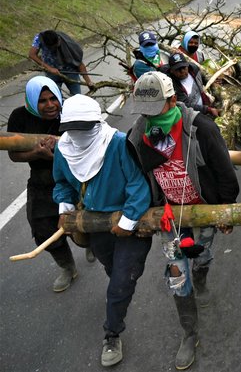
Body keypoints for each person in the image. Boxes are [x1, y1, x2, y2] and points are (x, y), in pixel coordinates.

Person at [128, 71, 240, 370]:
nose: (149, 118)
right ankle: (189, 333)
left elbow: (226, 174)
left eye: (156, 110)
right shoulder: (140, 135)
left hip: (202, 209)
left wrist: (223, 213)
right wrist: (152, 208)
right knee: (177, 273)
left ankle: (202, 272)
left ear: (173, 100)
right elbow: (138, 177)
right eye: (145, 112)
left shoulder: (201, 129)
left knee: (200, 253)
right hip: (169, 216)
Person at [52, 94, 152, 367]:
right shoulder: (64, 149)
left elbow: (137, 184)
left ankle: (112, 333)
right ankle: (118, 291)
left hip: (129, 222)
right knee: (112, 269)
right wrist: (64, 208)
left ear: (96, 123)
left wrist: (128, 221)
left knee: (121, 279)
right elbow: (62, 182)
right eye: (72, 129)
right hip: (95, 224)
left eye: (84, 128)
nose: (78, 135)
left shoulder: (118, 144)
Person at [7, 76, 81, 292]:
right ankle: (67, 267)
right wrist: (36, 152)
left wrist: (57, 157)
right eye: (42, 101)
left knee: (85, 222)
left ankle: (91, 244)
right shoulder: (20, 117)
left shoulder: (70, 113)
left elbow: (84, 149)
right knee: (42, 228)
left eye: (53, 98)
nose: (50, 105)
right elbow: (14, 154)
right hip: (41, 180)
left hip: (72, 177)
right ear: (31, 101)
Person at [28, 29, 94, 95]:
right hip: (52, 73)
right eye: (52, 48)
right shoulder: (39, 38)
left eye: (56, 46)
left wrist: (88, 82)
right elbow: (32, 54)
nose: (54, 49)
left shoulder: (66, 42)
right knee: (55, 97)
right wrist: (49, 68)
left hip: (70, 71)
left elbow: (79, 63)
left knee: (77, 96)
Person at [165, 52, 218, 117]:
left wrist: (216, 80)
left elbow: (206, 79)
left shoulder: (194, 69)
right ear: (171, 71)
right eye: (178, 69)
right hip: (191, 116)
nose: (182, 72)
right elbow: (184, 105)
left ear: (187, 66)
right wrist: (207, 109)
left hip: (205, 107)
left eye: (184, 68)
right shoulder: (171, 85)